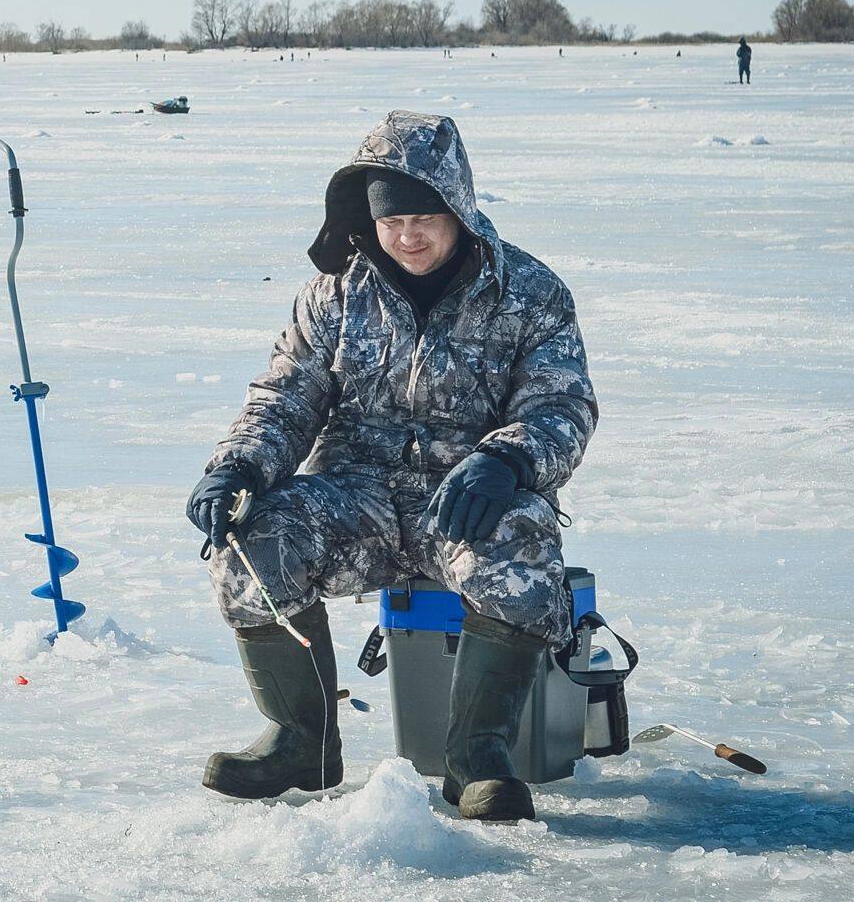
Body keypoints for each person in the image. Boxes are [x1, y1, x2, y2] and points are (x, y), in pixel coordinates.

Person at [188, 111, 596, 823]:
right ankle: (301, 743)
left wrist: (508, 459)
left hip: (466, 498)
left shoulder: (531, 293)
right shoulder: (336, 294)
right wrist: (239, 468)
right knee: (253, 538)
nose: (408, 235)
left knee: (523, 546)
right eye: (392, 220)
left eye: (425, 216)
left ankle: (477, 761)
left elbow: (563, 406)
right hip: (356, 497)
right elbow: (287, 396)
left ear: (460, 209)